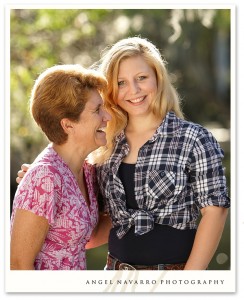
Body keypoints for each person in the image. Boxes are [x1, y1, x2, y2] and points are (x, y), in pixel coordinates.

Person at [16, 37, 230, 271]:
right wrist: (41, 181)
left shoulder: (194, 139)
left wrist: (186, 282)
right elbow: (84, 219)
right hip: (115, 277)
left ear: (158, 77)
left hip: (174, 275)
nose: (134, 90)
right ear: (111, 90)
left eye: (142, 78)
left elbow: (215, 212)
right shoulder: (103, 147)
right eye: (121, 82)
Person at [11, 64, 111, 270]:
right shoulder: (44, 178)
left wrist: (140, 209)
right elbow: (18, 265)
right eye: (97, 110)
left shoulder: (86, 171)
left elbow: (84, 237)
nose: (107, 117)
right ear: (68, 125)